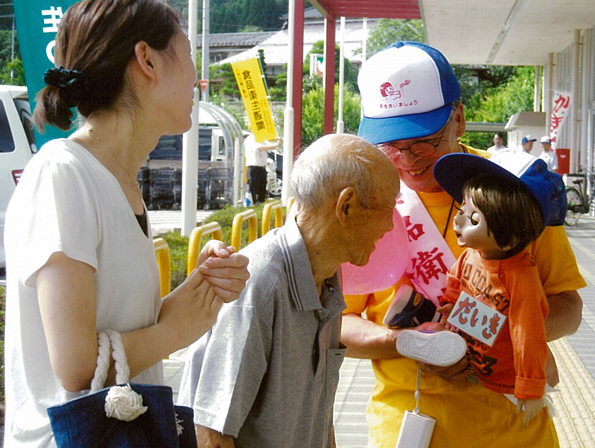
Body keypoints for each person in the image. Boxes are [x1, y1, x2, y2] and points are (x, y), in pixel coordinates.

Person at [3, 1, 250, 447]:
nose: (197, 75)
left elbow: (129, 331)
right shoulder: (63, 172)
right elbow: (77, 365)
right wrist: (176, 331)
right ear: (147, 60)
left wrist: (201, 292)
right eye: (189, 52)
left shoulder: (118, 182)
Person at [344, 40, 585, 448]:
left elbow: (568, 307)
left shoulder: (516, 188)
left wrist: (492, 338)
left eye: (424, 140)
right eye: (391, 145)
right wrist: (409, 344)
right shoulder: (358, 199)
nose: (409, 159)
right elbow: (335, 324)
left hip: (516, 430)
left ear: (459, 118)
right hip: (407, 428)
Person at [177, 134, 401, 448]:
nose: (391, 226)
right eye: (388, 208)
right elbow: (211, 433)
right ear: (346, 206)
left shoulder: (328, 274)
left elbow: (318, 411)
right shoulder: (260, 281)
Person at [434, 151, 567, 427]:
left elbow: (528, 335)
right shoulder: (474, 253)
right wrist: (449, 302)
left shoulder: (521, 280)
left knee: (511, 414)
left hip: (505, 379)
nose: (459, 221)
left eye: (473, 219)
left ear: (508, 240)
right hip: (473, 363)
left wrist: (529, 388)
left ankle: (539, 397)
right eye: (462, 210)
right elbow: (456, 277)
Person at [244, 132, 283, 204]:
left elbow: (270, 147)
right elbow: (260, 148)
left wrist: (277, 142)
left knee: (262, 192)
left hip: (262, 168)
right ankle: (252, 206)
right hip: (253, 168)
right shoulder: (250, 139)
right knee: (253, 191)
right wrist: (276, 144)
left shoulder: (261, 139)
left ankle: (260, 205)